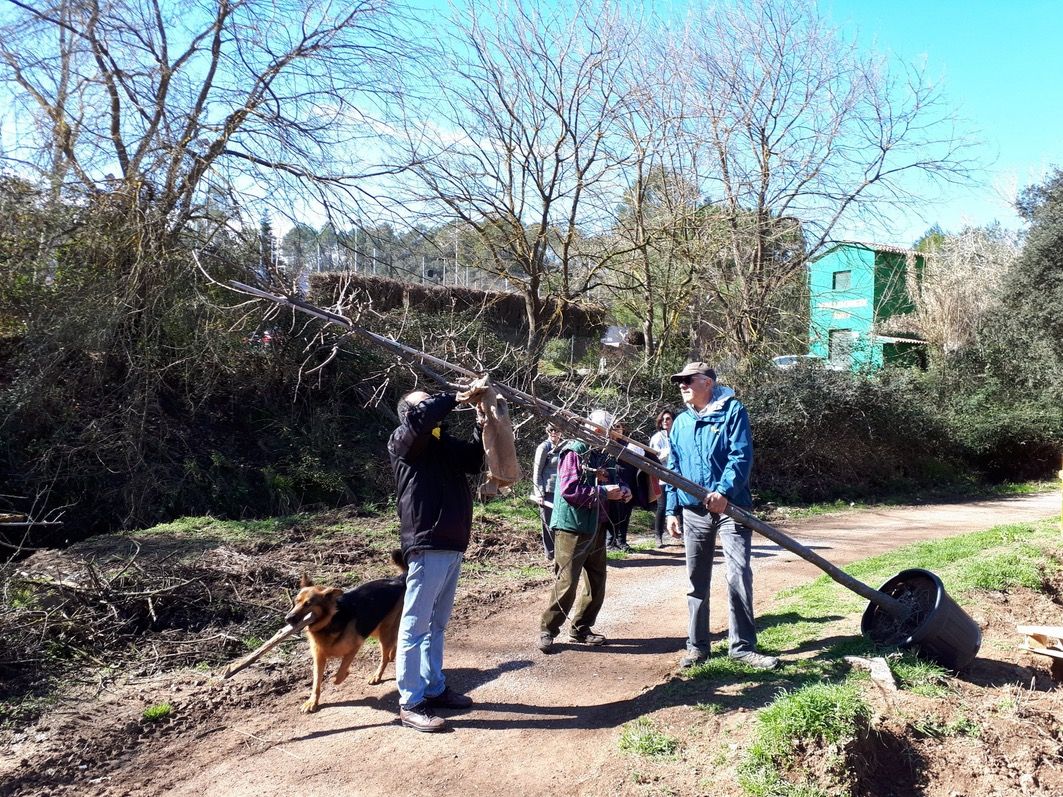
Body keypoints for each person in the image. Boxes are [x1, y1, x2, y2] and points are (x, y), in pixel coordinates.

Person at [664, 362, 779, 671]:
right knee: (696, 580)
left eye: (688, 380)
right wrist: (672, 509)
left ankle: (742, 647)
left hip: (732, 507)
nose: (682, 385)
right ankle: (697, 648)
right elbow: (673, 469)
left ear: (708, 383)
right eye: (680, 381)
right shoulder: (681, 423)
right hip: (693, 510)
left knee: (738, 574)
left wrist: (723, 492)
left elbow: (740, 456)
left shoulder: (733, 411)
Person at [388, 387, 486, 732]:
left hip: (452, 543)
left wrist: (480, 425)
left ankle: (434, 687)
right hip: (427, 543)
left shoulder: (440, 442)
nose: (432, 404)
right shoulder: (404, 441)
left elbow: (474, 461)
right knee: (415, 626)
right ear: (410, 413)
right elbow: (423, 419)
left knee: (437, 625)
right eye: (425, 401)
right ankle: (411, 702)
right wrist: (453, 396)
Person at [538, 410, 631, 653]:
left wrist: (623, 489)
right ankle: (548, 629)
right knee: (567, 581)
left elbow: (614, 478)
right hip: (572, 526)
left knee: (597, 580)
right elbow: (569, 491)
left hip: (596, 525)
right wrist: (603, 493)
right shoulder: (575, 450)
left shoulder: (604, 453)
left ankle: (581, 628)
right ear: (598, 430)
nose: (615, 436)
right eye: (610, 431)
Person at [531, 422, 563, 559]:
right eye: (551, 430)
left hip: (562, 491)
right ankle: (550, 554)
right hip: (547, 491)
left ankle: (561, 552)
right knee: (548, 523)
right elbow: (537, 472)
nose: (553, 432)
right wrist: (539, 493)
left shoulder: (565, 446)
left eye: (556, 430)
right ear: (547, 431)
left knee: (560, 523)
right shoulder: (544, 447)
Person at [649, 409, 677, 547]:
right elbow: (654, 457)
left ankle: (683, 533)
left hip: (678, 476)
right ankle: (658, 536)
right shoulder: (657, 438)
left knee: (681, 506)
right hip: (662, 477)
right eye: (663, 419)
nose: (665, 421)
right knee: (662, 506)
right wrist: (668, 452)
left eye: (668, 419)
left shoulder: (678, 435)